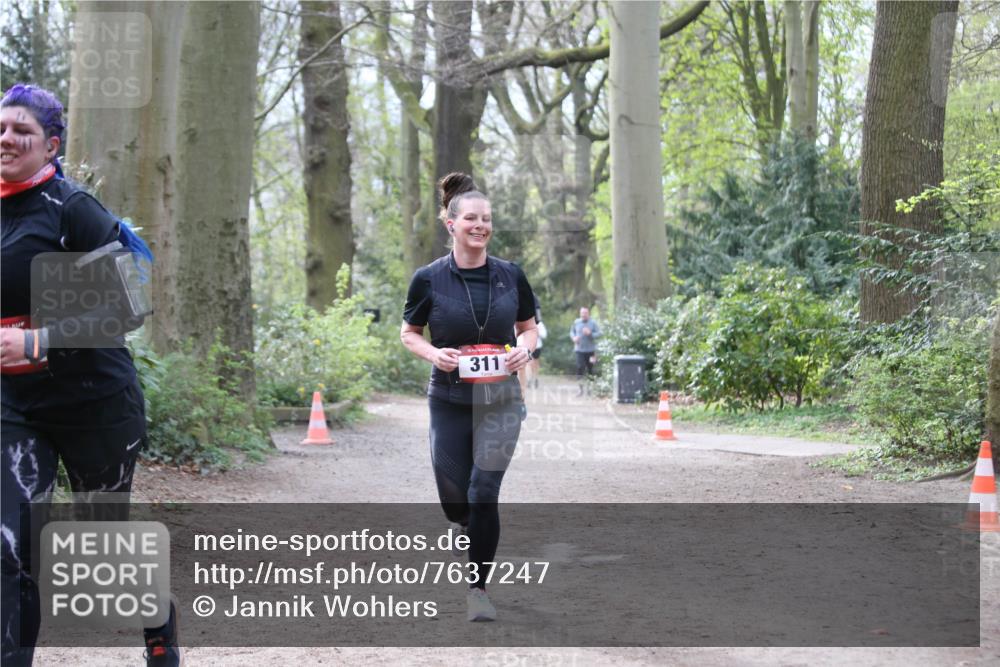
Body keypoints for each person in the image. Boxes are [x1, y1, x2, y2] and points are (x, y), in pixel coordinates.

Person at [0, 84, 179, 667]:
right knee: (10, 550)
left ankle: (159, 640)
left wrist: (38, 339)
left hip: (94, 401)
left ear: (50, 146)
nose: (6, 139)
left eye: (22, 132)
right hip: (16, 405)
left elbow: (125, 307)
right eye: (1, 128)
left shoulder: (71, 210)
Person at [401, 172, 538, 622]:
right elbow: (408, 333)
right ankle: (462, 524)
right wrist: (433, 353)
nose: (481, 225)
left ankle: (477, 588)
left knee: (484, 491)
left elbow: (528, 327)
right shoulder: (428, 279)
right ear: (451, 224)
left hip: (501, 400)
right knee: (454, 497)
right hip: (449, 399)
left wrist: (524, 350)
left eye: (487, 219)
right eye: (472, 218)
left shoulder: (510, 276)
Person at [569, 306, 601, 394]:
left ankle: (590, 389)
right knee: (580, 368)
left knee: (590, 369)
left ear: (588, 314)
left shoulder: (593, 323)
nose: (583, 315)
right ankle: (580, 389)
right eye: (582, 313)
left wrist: (591, 333)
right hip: (579, 350)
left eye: (585, 313)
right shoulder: (576, 322)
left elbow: (599, 333)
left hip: (591, 351)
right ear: (580, 314)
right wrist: (574, 338)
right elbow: (571, 332)